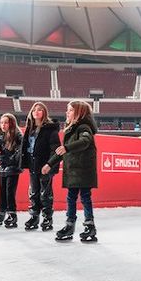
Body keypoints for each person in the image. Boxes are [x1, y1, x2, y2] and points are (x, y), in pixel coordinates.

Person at [46, 100, 99, 242]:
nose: (66, 112)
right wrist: (49, 164)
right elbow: (63, 151)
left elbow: (85, 141)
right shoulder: (71, 129)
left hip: (83, 171)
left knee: (85, 197)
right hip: (73, 172)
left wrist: (67, 148)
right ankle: (70, 226)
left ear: (79, 112)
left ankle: (89, 226)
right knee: (71, 198)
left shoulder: (83, 127)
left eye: (69, 110)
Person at [20, 102, 61, 232]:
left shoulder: (50, 129)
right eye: (34, 110)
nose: (36, 112)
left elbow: (55, 149)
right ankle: (34, 217)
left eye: (39, 110)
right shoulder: (30, 129)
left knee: (45, 194)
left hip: (45, 166)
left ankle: (47, 218)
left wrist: (49, 165)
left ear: (44, 113)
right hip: (33, 165)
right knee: (34, 192)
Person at [0, 113, 23, 228]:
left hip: (13, 168)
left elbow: (20, 150)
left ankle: (12, 214)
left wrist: (11, 160)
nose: (3, 125)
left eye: (6, 122)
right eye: (1, 122)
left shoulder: (17, 135)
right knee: (2, 191)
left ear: (11, 123)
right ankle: (1, 214)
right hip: (2, 168)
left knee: (9, 192)